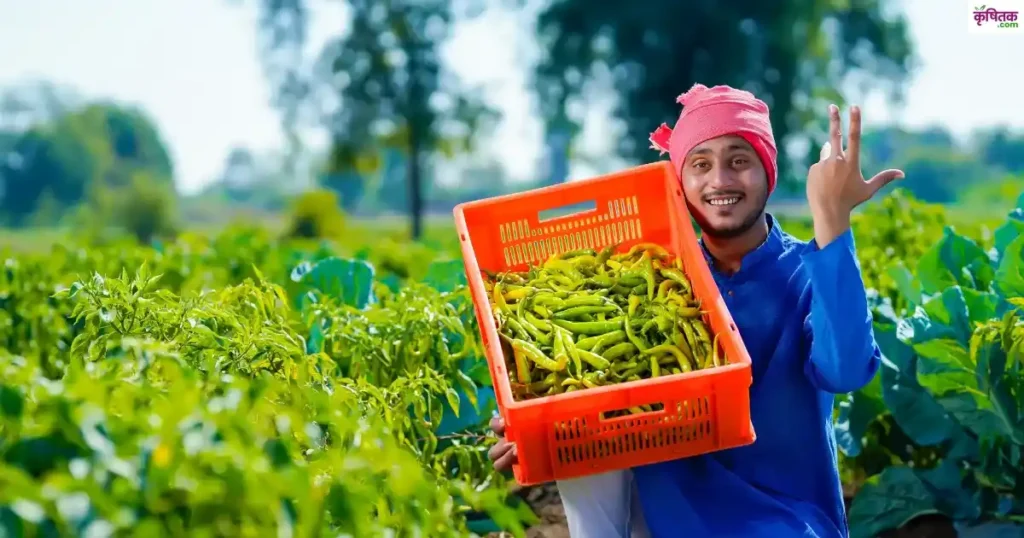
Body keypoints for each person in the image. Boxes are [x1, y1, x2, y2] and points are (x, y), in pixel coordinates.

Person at [487, 83, 905, 538]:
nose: (720, 181)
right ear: (679, 182)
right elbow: (600, 394)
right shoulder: (657, 277)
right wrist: (537, 428)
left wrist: (832, 222)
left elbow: (844, 371)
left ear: (768, 171)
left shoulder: (808, 271)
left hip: (783, 520)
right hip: (664, 517)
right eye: (700, 164)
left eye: (739, 161)